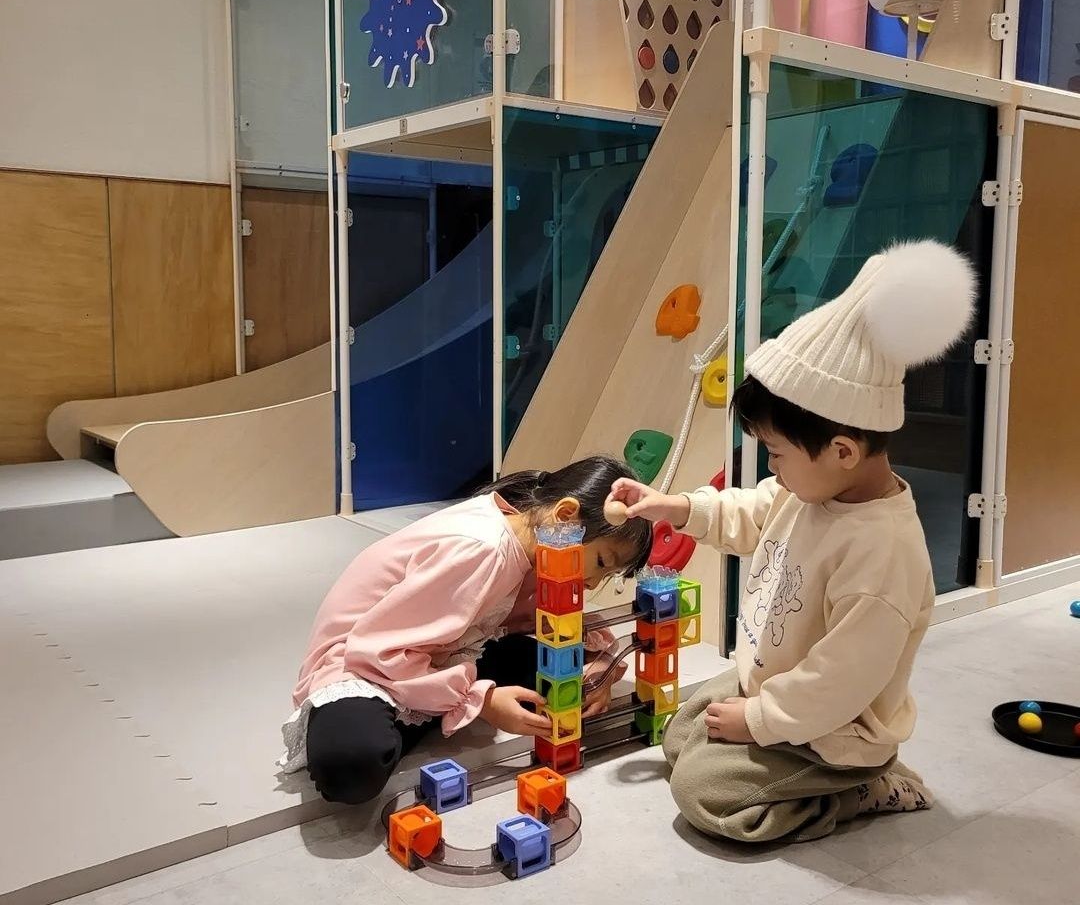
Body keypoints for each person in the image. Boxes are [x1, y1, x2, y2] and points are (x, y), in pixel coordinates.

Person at [609, 239, 976, 843]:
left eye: (776, 453)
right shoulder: (809, 491)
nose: (772, 470)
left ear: (842, 451)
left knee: (702, 792)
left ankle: (863, 787)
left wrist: (759, 720)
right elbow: (751, 512)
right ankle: (767, 741)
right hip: (777, 685)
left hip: (836, 729)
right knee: (678, 738)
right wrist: (674, 507)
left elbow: (840, 679)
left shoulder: (883, 553)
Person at [279, 456, 652, 805]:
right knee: (351, 765)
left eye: (608, 574)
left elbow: (566, 624)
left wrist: (599, 669)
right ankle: (429, 703)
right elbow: (379, 649)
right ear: (565, 515)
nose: (593, 584)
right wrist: (481, 702)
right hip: (368, 662)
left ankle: (438, 698)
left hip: (445, 651)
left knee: (568, 673)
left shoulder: (536, 539)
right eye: (601, 562)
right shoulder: (482, 549)